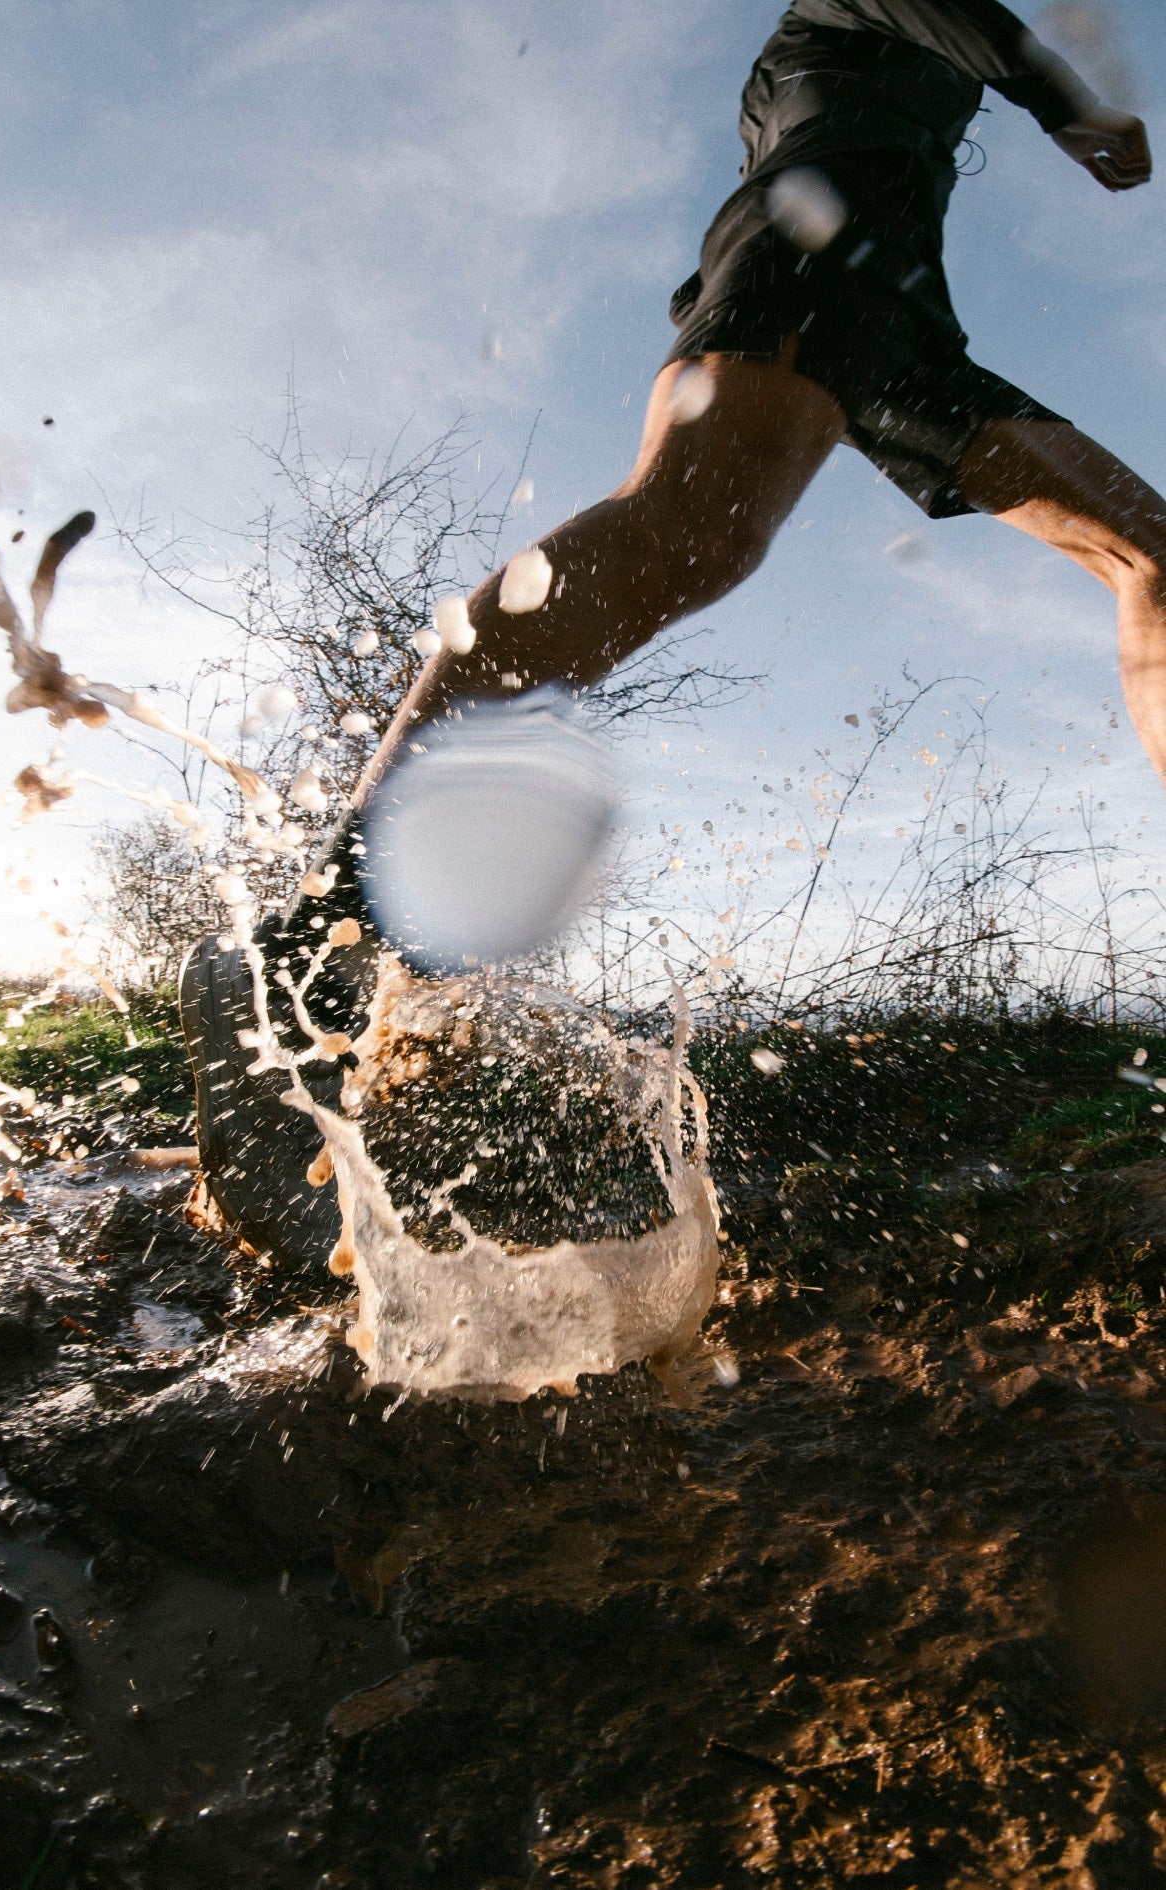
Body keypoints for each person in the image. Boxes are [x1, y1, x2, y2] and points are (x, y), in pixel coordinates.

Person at [181, 0, 1160, 1260]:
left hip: (890, 301)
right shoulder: (842, 26)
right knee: (688, 525)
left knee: (1145, 551)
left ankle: (327, 949)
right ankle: (310, 944)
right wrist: (1068, 105)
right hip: (820, 240)